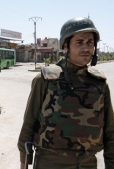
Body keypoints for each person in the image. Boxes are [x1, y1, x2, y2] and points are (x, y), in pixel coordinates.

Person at [17, 17, 114, 169]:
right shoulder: (46, 79)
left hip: (87, 163)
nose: (86, 48)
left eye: (90, 43)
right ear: (65, 45)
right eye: (79, 42)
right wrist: (24, 163)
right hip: (50, 162)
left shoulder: (99, 84)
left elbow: (110, 132)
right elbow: (29, 124)